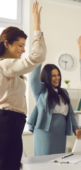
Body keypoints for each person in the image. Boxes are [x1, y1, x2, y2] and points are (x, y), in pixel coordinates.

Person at [0, 1, 46, 170]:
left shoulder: (9, 66)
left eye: (24, 46)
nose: (23, 50)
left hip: (13, 122)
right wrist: (37, 26)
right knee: (8, 165)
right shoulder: (5, 64)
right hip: (7, 121)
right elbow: (37, 56)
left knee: (12, 165)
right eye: (20, 45)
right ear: (6, 44)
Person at [27, 63, 81, 156]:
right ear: (47, 76)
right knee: (44, 159)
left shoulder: (64, 92)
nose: (57, 78)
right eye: (53, 75)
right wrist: (38, 60)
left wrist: (76, 128)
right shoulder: (41, 89)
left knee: (58, 160)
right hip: (45, 131)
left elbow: (71, 113)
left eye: (58, 75)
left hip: (61, 132)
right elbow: (33, 79)